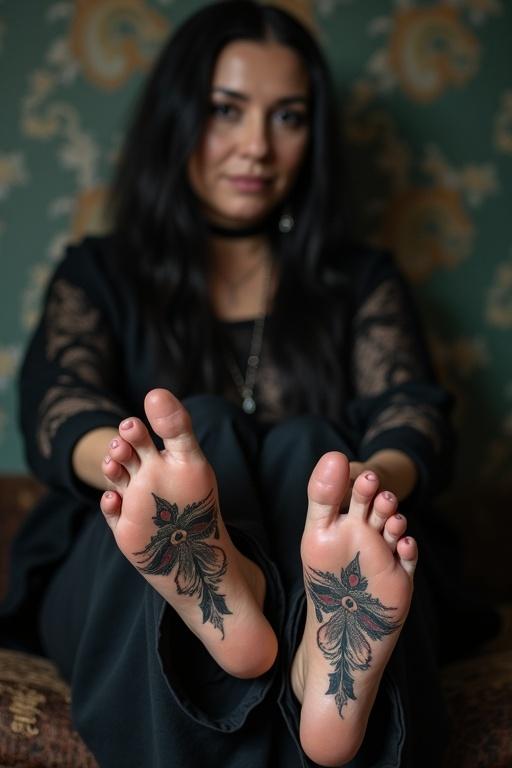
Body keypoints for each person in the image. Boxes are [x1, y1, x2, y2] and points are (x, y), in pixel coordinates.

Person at [1, 1, 454, 766]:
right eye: (225, 111)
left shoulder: (356, 282)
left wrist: (361, 497)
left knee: (319, 454)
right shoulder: (102, 274)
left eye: (288, 118)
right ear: (177, 117)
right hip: (121, 566)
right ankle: (267, 629)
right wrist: (137, 473)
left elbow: (414, 413)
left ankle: (319, 631)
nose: (256, 148)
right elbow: (59, 404)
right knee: (196, 435)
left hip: (319, 529)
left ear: (314, 138)